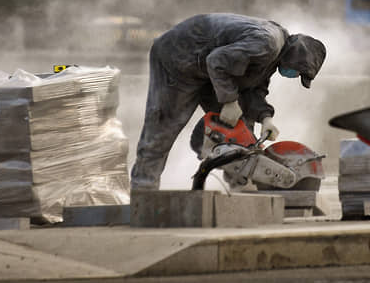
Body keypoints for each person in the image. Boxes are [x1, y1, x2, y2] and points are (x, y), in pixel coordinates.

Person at [129, 13, 326, 191]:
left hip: (205, 67)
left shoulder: (273, 55)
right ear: (296, 58)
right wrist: (229, 101)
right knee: (164, 126)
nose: (294, 76)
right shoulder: (267, 44)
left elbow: (254, 89)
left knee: (240, 129)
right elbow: (216, 61)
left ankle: (238, 187)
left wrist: (266, 118)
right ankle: (143, 191)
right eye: (298, 72)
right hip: (180, 56)